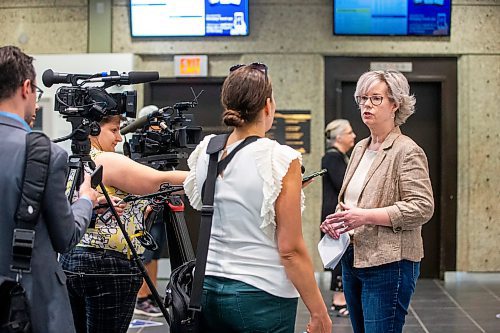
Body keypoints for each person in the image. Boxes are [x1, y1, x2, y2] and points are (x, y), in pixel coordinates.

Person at [184, 63, 332, 333]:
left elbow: (225, 195)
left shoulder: (208, 149)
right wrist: (319, 312)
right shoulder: (280, 158)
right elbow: (290, 250)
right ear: (267, 105)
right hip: (260, 296)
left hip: (205, 287)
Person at [321, 70, 434, 333]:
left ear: (395, 104)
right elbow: (352, 200)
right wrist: (338, 220)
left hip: (389, 263)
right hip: (353, 257)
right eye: (362, 98)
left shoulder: (407, 150)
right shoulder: (360, 148)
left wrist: (365, 216)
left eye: (375, 98)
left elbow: (422, 207)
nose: (366, 105)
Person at [0, 45, 98, 333]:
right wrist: (86, 201)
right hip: (32, 308)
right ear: (26, 88)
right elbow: (65, 237)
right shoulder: (44, 154)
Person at [59, 114, 188, 333]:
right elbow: (157, 182)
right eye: (114, 130)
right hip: (107, 265)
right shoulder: (104, 159)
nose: (120, 138)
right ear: (94, 130)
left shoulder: (76, 160)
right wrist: (208, 174)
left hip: (73, 260)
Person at [321, 119, 356, 317]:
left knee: (344, 253)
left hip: (339, 212)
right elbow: (345, 184)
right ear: (339, 136)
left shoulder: (341, 157)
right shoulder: (332, 157)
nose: (354, 136)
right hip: (334, 213)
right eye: (349, 132)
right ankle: (339, 299)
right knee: (340, 255)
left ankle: (342, 298)